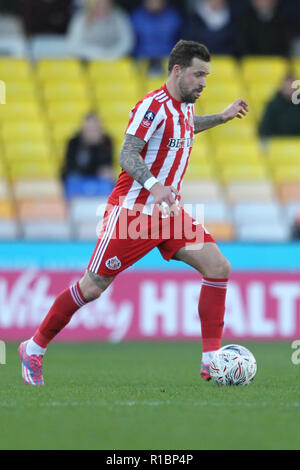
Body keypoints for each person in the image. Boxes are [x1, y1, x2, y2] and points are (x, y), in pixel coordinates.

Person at [18, 39, 249, 386]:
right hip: (134, 214)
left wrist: (221, 117)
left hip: (168, 213)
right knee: (93, 287)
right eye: (199, 75)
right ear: (177, 71)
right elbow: (127, 154)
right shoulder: (151, 107)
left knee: (218, 267)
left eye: (207, 76)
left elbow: (185, 127)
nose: (203, 82)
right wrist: (155, 185)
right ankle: (33, 348)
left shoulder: (185, 105)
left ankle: (211, 360)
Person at [66, 0, 134, 60]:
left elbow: (127, 42)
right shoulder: (81, 18)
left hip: (115, 61)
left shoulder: (119, 16)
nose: (102, 4)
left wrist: (111, 54)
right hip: (88, 62)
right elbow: (73, 44)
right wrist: (95, 53)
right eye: (98, 2)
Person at [131, 0, 182, 74]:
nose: (154, 2)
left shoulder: (173, 17)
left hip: (168, 59)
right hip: (142, 60)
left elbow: (180, 41)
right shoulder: (136, 17)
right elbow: (131, 44)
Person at [61, 112, 115, 182]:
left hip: (98, 175)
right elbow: (69, 164)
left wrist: (97, 146)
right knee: (71, 176)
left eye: (94, 128)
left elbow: (107, 163)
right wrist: (85, 145)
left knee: (109, 174)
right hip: (78, 174)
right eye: (89, 128)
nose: (91, 132)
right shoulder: (74, 142)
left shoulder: (106, 141)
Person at [259, 74, 300, 139]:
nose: (289, 88)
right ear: (282, 87)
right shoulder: (272, 105)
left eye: (291, 86)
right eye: (287, 86)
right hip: (277, 144)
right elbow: (264, 129)